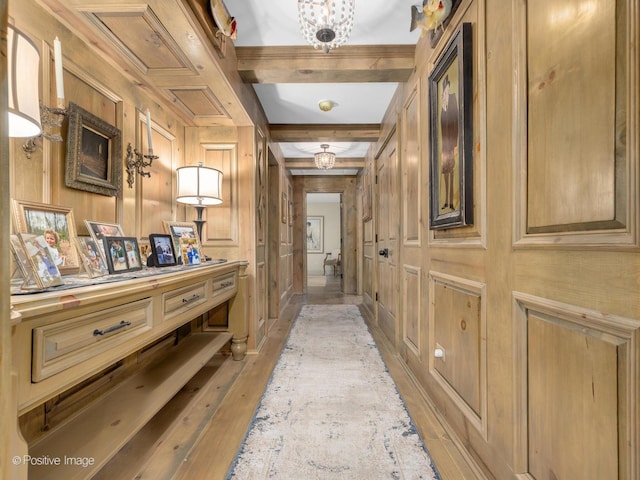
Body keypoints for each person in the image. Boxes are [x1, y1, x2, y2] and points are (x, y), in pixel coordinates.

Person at [440, 75, 459, 211]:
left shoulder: (452, 100)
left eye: (446, 91)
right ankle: (446, 200)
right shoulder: (443, 107)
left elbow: (456, 123)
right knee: (445, 172)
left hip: (452, 145)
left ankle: (451, 202)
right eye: (444, 92)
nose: (445, 94)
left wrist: (455, 145)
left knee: (451, 171)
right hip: (445, 146)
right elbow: (442, 129)